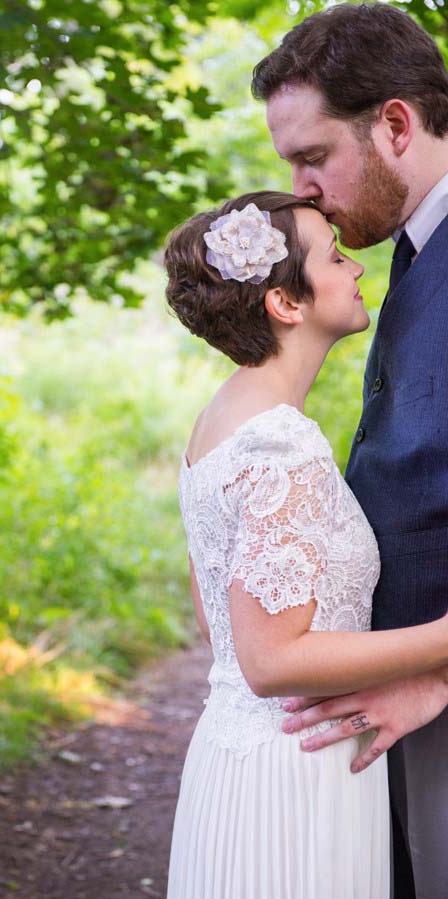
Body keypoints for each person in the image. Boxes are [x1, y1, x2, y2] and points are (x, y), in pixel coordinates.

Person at [164, 190, 448, 899]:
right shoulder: (277, 442)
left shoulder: (220, 422)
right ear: (286, 304)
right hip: (296, 772)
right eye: (333, 256)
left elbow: (220, 624)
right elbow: (270, 658)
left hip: (244, 753)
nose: (356, 269)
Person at [252, 5, 448, 897]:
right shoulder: (413, 250)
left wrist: (438, 678)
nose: (300, 189)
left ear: (396, 125)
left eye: (312, 157)